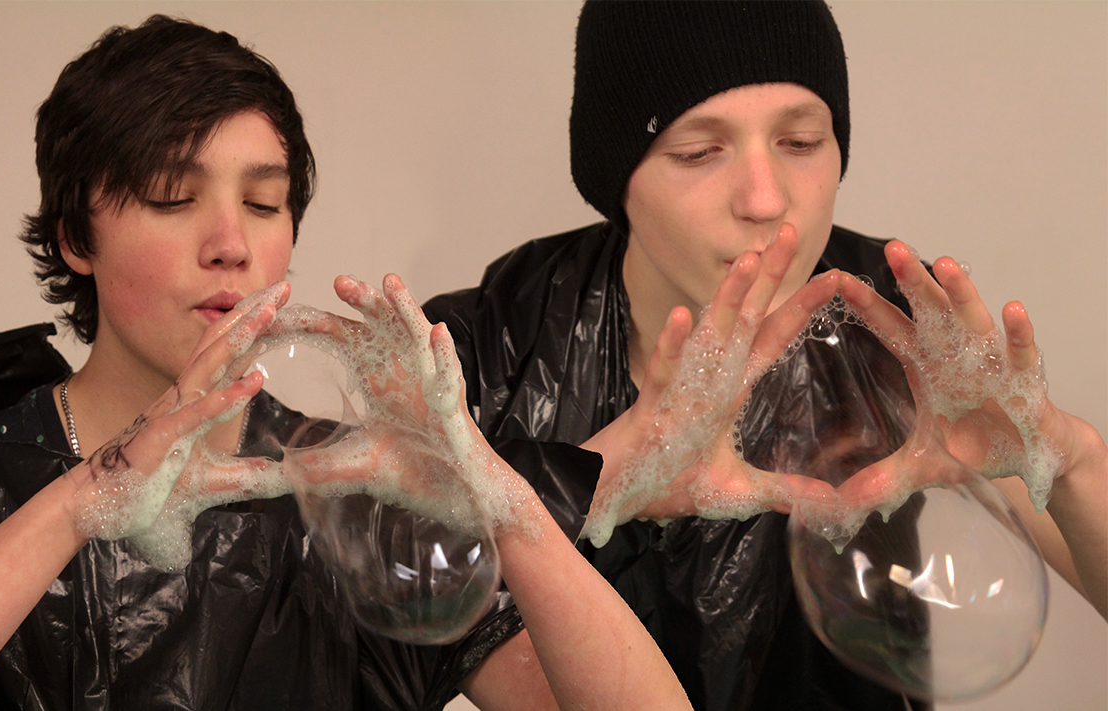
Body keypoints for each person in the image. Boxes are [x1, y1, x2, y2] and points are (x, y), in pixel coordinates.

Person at [0, 15, 694, 711]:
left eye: (263, 204)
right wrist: (85, 501)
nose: (231, 245)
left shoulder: (349, 502)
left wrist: (496, 497)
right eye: (172, 196)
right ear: (77, 237)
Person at [421, 2, 1108, 710]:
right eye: (698, 152)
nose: (766, 199)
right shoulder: (476, 359)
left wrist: (1071, 457)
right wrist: (588, 482)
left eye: (801, 142)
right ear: (616, 177)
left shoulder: (897, 321)